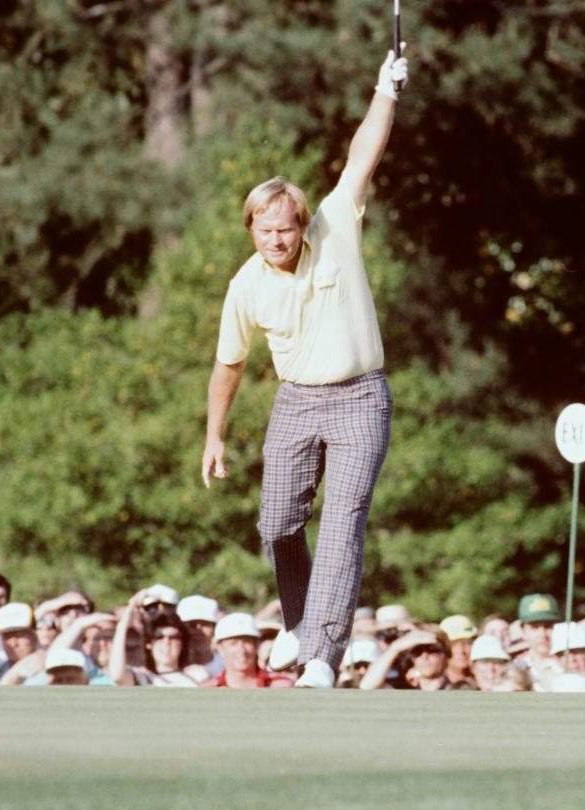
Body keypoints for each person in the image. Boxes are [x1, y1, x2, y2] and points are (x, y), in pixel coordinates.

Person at [200, 46, 410, 691]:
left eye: (286, 229)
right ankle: (298, 623)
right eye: (265, 232)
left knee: (343, 520)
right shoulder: (246, 285)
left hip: (359, 398)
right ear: (252, 231)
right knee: (276, 524)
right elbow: (227, 365)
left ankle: (324, 653)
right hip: (296, 402)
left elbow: (362, 154)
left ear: (300, 224)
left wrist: (386, 91)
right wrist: (215, 434)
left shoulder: (334, 226)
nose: (277, 240)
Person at [110, 593, 208, 687]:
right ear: (149, 644)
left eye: (174, 637)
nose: (167, 642)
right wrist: (131, 607)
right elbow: (117, 676)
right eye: (159, 637)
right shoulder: (142, 678)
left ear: (182, 644)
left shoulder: (197, 676)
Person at [360, 626, 467, 690]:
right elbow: (367, 687)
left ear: (446, 654)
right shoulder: (404, 689)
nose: (424, 656)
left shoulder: (459, 689)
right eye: (417, 651)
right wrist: (395, 648)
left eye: (432, 649)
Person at [204, 612, 276, 689]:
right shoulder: (207, 690)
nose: (241, 650)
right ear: (220, 648)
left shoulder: (280, 686)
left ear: (257, 645)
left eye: (247, 642)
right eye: (233, 643)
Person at [513, 593, 562, 691]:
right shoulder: (517, 668)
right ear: (523, 631)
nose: (542, 634)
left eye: (548, 626)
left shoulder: (571, 664)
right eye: (534, 627)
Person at [178, 595, 223, 678]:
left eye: (205, 624)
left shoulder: (226, 667)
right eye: (192, 625)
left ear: (214, 629)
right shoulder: (169, 667)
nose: (198, 631)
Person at [439, 614, 477, 687]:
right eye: (453, 645)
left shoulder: (486, 681)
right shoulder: (431, 684)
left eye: (467, 643)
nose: (461, 651)